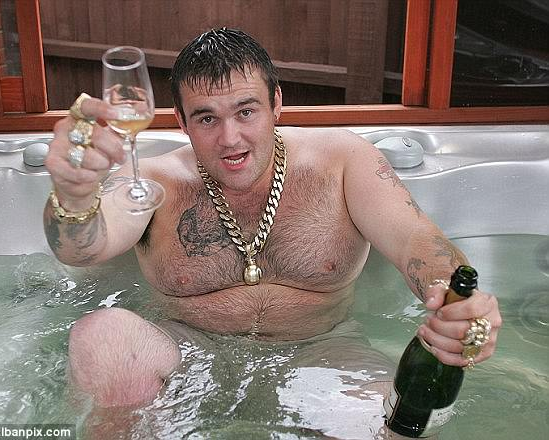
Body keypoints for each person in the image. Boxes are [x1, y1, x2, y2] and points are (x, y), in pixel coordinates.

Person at [43, 28, 502, 437]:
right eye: (206, 118)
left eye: (246, 111)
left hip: (321, 351)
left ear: (276, 103)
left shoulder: (342, 161)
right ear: (181, 122)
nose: (230, 138)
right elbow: (81, 249)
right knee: (103, 335)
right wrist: (73, 195)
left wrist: (454, 301)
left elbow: (415, 239)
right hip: (187, 353)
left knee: (395, 425)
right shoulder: (154, 180)